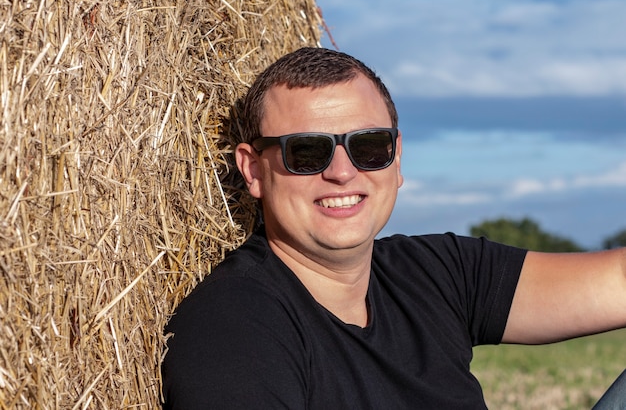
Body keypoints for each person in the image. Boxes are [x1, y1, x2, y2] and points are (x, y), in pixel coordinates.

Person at [161, 47, 626, 409]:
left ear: (397, 158)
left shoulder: (438, 273)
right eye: (306, 152)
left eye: (368, 146)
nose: (342, 172)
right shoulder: (237, 327)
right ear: (254, 171)